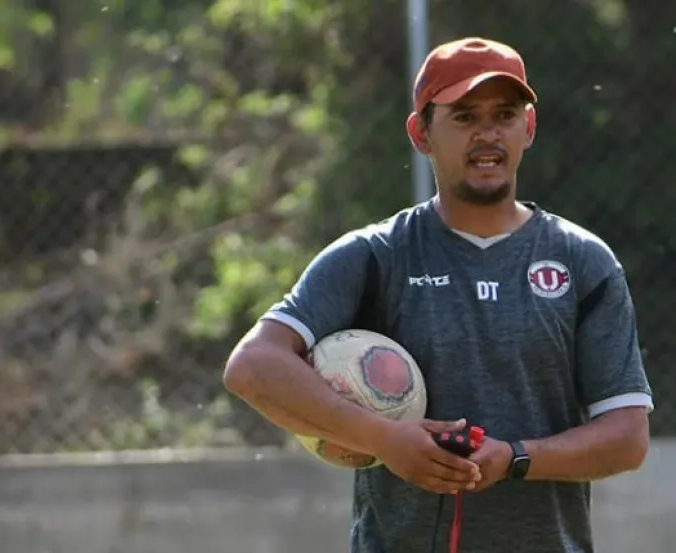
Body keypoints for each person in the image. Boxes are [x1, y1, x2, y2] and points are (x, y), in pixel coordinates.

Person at [223, 36, 653, 553]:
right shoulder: (375, 256)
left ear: (529, 127)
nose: (487, 134)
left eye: (505, 114)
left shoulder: (583, 262)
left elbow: (627, 438)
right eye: (464, 117)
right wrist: (384, 439)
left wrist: (515, 458)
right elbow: (253, 367)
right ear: (420, 133)